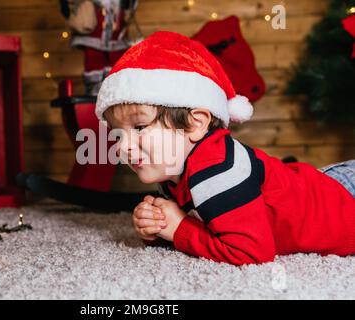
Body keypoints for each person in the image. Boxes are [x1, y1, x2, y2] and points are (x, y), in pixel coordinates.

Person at [94, 31, 355, 265]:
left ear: (196, 124)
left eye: (139, 127)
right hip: (323, 181)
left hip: (345, 198)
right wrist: (158, 226)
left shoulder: (216, 167)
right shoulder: (173, 168)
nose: (123, 147)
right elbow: (207, 226)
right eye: (118, 134)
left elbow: (253, 252)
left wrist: (179, 228)